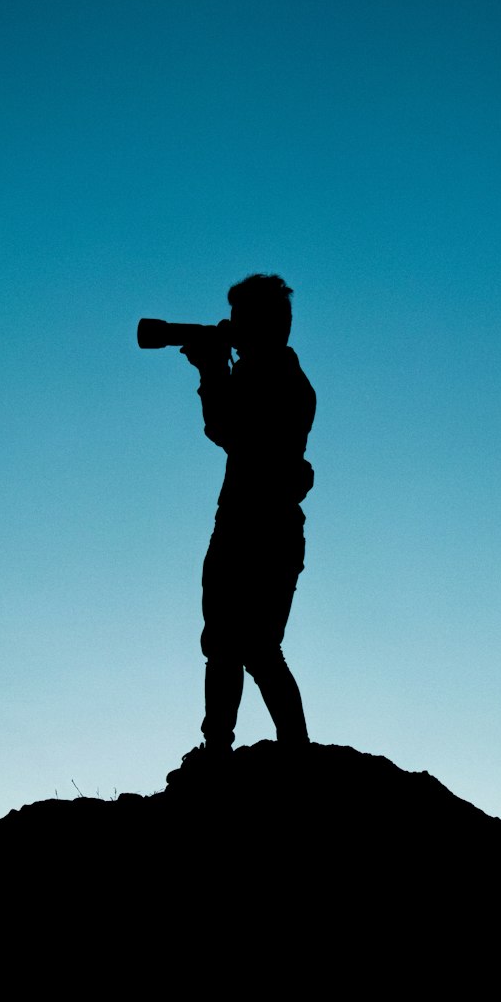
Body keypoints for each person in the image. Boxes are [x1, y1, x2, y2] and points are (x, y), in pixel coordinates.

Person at [179, 274, 316, 755]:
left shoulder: (277, 378)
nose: (231, 325)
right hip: (253, 524)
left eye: (240, 318)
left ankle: (255, 752)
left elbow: (228, 430)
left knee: (250, 647)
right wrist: (217, 369)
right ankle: (226, 748)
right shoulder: (276, 375)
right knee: (234, 644)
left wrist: (211, 371)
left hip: (258, 526)